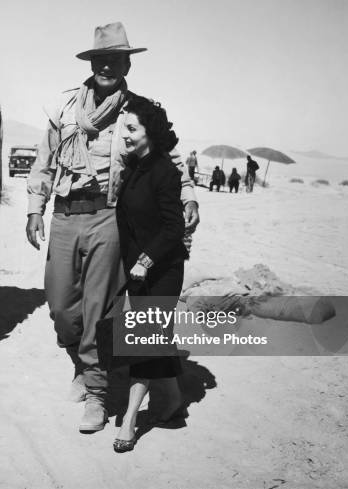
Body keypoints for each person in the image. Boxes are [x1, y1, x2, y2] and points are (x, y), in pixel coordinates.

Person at [26, 22, 200, 433]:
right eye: (100, 59)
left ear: (127, 65)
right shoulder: (66, 108)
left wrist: (189, 195)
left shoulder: (140, 111)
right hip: (65, 215)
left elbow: (170, 156)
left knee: (99, 311)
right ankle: (83, 367)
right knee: (61, 309)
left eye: (115, 60)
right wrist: (35, 207)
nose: (107, 66)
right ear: (92, 62)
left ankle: (99, 396)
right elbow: (44, 161)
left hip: (108, 216)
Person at [114, 94, 189, 453]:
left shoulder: (164, 171)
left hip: (163, 270)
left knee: (143, 340)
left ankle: (129, 421)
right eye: (123, 128)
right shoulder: (132, 169)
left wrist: (145, 260)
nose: (124, 134)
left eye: (131, 128)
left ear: (150, 132)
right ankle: (173, 400)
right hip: (138, 272)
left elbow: (174, 228)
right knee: (154, 337)